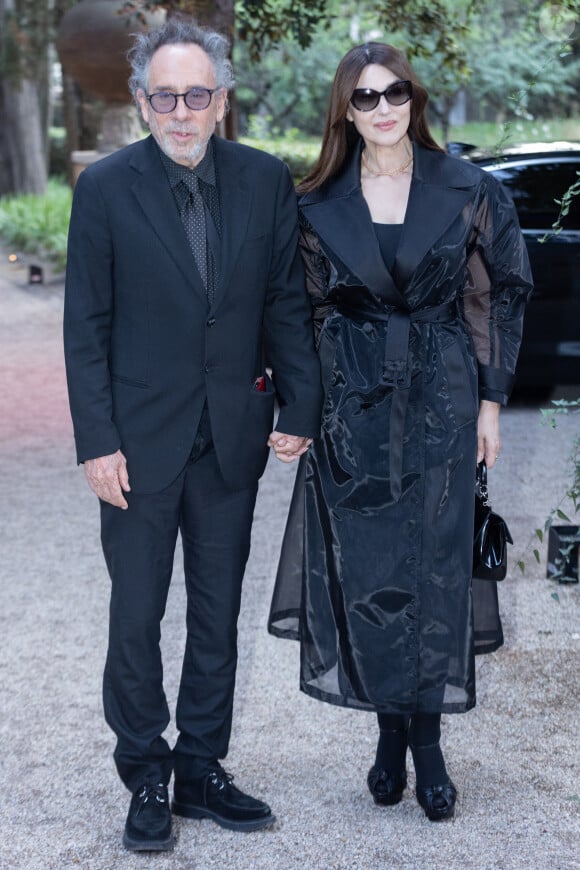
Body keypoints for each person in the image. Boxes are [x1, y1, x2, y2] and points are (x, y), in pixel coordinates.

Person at [63, 16, 322, 852]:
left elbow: (285, 301)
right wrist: (96, 441)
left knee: (216, 616)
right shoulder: (104, 188)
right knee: (136, 616)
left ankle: (201, 767)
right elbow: (85, 326)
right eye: (165, 95)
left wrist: (301, 406)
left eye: (197, 94)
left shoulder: (263, 181)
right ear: (142, 101)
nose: (182, 110)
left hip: (232, 438)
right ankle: (145, 772)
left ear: (221, 99)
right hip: (136, 448)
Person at [269, 43, 533, 822]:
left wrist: (490, 406)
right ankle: (388, 734)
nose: (383, 108)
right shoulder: (314, 202)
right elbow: (302, 312)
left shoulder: (470, 188)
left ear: (415, 98)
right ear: (344, 113)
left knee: (435, 567)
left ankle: (427, 744)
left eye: (396, 92)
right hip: (351, 406)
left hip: (442, 399)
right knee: (368, 570)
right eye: (365, 98)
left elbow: (499, 294)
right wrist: (303, 409)